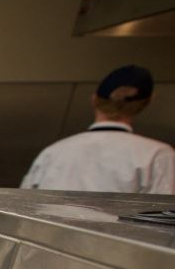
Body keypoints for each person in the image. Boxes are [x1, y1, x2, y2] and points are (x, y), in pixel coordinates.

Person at [21, 65, 174, 194]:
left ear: (94, 99)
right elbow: (163, 214)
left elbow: (23, 202)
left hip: (49, 230)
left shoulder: (54, 152)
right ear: (147, 103)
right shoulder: (157, 154)